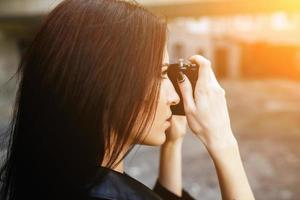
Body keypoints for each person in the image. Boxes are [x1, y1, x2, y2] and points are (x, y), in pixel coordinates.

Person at [0, 0, 255, 199]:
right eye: (162, 74)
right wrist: (223, 142)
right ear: (110, 84)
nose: (172, 95)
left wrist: (172, 144)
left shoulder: (59, 175)